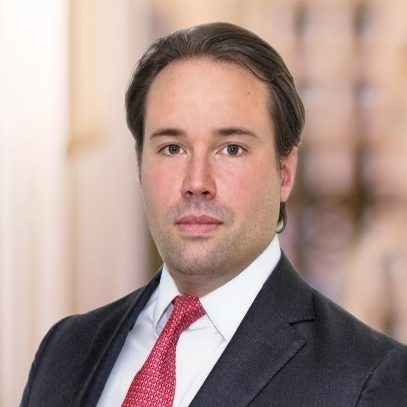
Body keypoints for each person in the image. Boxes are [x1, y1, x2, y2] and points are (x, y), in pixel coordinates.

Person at [21, 22, 407, 407]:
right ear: (140, 166)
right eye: (172, 148)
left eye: (231, 149)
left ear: (285, 173)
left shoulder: (368, 379)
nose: (197, 182)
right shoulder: (65, 351)